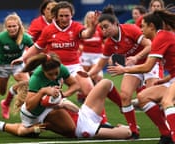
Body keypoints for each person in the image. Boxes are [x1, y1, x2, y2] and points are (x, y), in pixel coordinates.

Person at [0, 53, 131, 139]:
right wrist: (43, 92)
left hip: (62, 110)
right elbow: (29, 105)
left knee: (105, 83)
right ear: (43, 72)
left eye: (56, 73)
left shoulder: (61, 69)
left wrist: (63, 96)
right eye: (51, 74)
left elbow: (76, 86)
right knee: (26, 132)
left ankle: (121, 110)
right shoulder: (36, 79)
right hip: (33, 113)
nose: (55, 76)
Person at [21, 1, 109, 125]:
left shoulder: (76, 26)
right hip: (53, 67)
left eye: (67, 15)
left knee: (90, 89)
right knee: (38, 94)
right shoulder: (48, 30)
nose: (64, 18)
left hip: (74, 66)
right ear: (56, 16)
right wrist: (22, 58)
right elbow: (37, 47)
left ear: (71, 15)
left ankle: (102, 121)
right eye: (61, 16)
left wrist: (93, 27)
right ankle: (33, 117)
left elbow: (86, 34)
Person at [84, 6, 163, 139]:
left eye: (106, 26)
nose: (104, 30)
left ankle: (166, 127)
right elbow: (100, 65)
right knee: (125, 96)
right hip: (133, 67)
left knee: (154, 97)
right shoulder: (109, 43)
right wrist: (87, 75)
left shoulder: (129, 29)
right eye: (101, 28)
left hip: (150, 62)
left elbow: (150, 45)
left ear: (116, 24)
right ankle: (134, 131)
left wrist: (136, 58)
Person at [107, 9, 175, 144]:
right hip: (172, 79)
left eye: (143, 26)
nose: (141, 29)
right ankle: (166, 134)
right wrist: (166, 79)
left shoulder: (161, 37)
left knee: (167, 102)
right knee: (143, 97)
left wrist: (124, 69)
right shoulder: (160, 37)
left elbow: (147, 67)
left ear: (151, 26)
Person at [0, 12, 33, 120]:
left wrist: (28, 59)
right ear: (6, 27)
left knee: (26, 84)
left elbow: (33, 48)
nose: (12, 29)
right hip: (2, 66)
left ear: (19, 26)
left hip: (18, 65)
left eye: (14, 26)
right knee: (1, 92)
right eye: (9, 26)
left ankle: (18, 108)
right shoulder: (1, 37)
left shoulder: (25, 37)